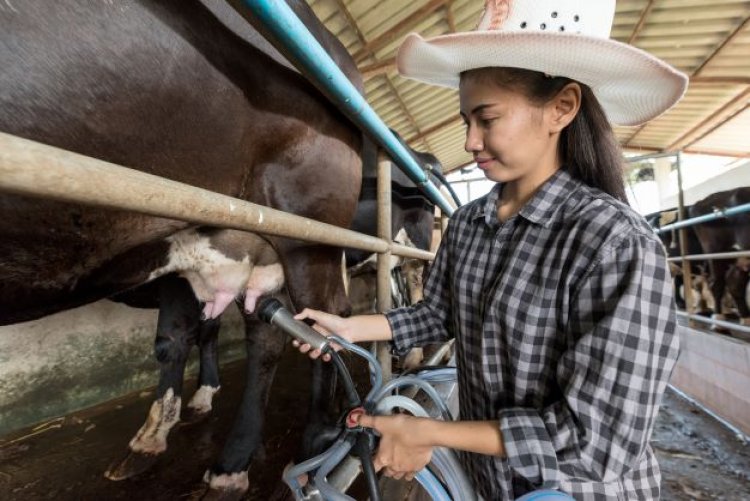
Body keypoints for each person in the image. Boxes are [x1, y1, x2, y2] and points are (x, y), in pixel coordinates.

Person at [293, 0, 686, 499]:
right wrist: (350, 328)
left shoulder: (615, 244)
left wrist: (429, 433)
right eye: (465, 120)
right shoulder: (467, 223)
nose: (470, 141)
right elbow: (438, 316)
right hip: (492, 483)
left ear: (561, 108)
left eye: (487, 118)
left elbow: (599, 444)